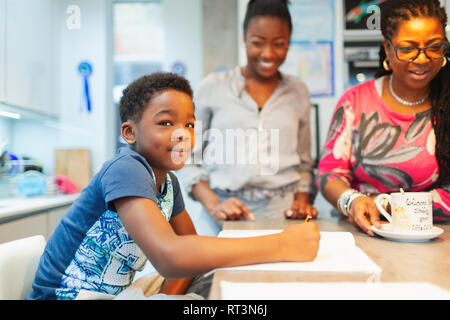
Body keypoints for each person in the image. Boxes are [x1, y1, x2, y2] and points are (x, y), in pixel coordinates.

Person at [26, 72, 320, 300]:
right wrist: (282, 244)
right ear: (130, 133)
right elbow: (171, 256)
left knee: (215, 280)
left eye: (190, 125)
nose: (182, 134)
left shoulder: (168, 181)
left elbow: (192, 256)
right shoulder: (126, 168)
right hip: (68, 296)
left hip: (114, 294)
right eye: (166, 123)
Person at [178, 0, 317, 236]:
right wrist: (214, 205)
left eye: (279, 44)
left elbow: (304, 164)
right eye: (257, 43)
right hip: (220, 211)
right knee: (207, 272)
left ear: (289, 43)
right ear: (244, 39)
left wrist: (301, 202)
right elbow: (187, 158)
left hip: (281, 214)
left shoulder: (298, 91)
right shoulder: (213, 87)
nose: (268, 53)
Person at [317, 0, 450, 236]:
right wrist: (352, 201)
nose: (421, 59)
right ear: (387, 48)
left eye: (434, 46)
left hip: (436, 244)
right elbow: (330, 174)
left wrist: (384, 204)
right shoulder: (355, 101)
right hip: (361, 236)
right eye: (407, 48)